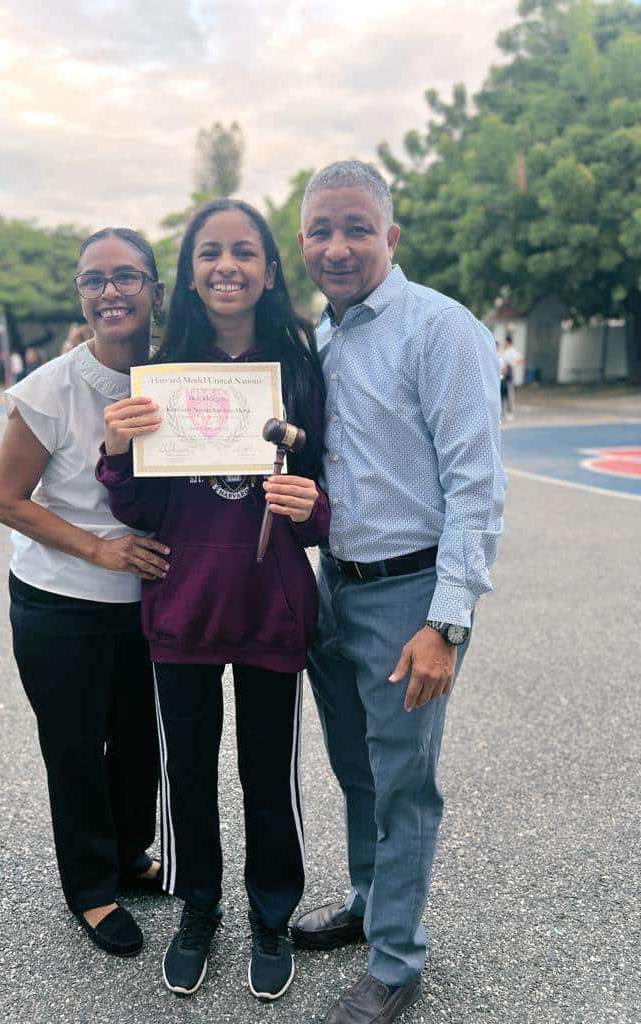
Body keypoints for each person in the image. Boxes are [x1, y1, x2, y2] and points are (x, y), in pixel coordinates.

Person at [95, 198, 329, 1002]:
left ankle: (271, 913)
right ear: (187, 275)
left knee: (270, 778)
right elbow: (141, 511)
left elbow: (328, 491)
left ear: (269, 270)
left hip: (271, 607)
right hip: (183, 610)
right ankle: (200, 905)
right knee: (186, 776)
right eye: (207, 253)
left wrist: (312, 508)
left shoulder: (299, 366)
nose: (226, 266)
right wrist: (117, 452)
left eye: (243, 252)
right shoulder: (160, 375)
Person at [290, 161, 506, 1024]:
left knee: (405, 782)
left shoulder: (440, 330)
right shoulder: (324, 337)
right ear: (302, 240)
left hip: (409, 597)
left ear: (391, 235)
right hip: (333, 586)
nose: (337, 247)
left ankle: (397, 958)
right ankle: (367, 902)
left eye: (356, 228)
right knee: (357, 770)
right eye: (320, 231)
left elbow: (478, 487)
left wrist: (446, 624)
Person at [0, 227, 170, 957]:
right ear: (81, 297)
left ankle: (132, 855)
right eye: (93, 281)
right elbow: (7, 500)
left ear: (155, 289)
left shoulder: (176, 375)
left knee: (137, 745)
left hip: (148, 601)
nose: (109, 292)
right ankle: (92, 891)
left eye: (126, 276)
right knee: (75, 747)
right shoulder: (49, 390)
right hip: (61, 600)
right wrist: (100, 548)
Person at [499, 332, 523, 419]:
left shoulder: (512, 351)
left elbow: (520, 359)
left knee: (509, 393)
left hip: (509, 373)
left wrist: (512, 364)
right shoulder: (504, 351)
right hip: (502, 373)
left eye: (505, 342)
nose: (504, 343)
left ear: (508, 342)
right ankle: (502, 412)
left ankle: (510, 413)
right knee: (502, 393)